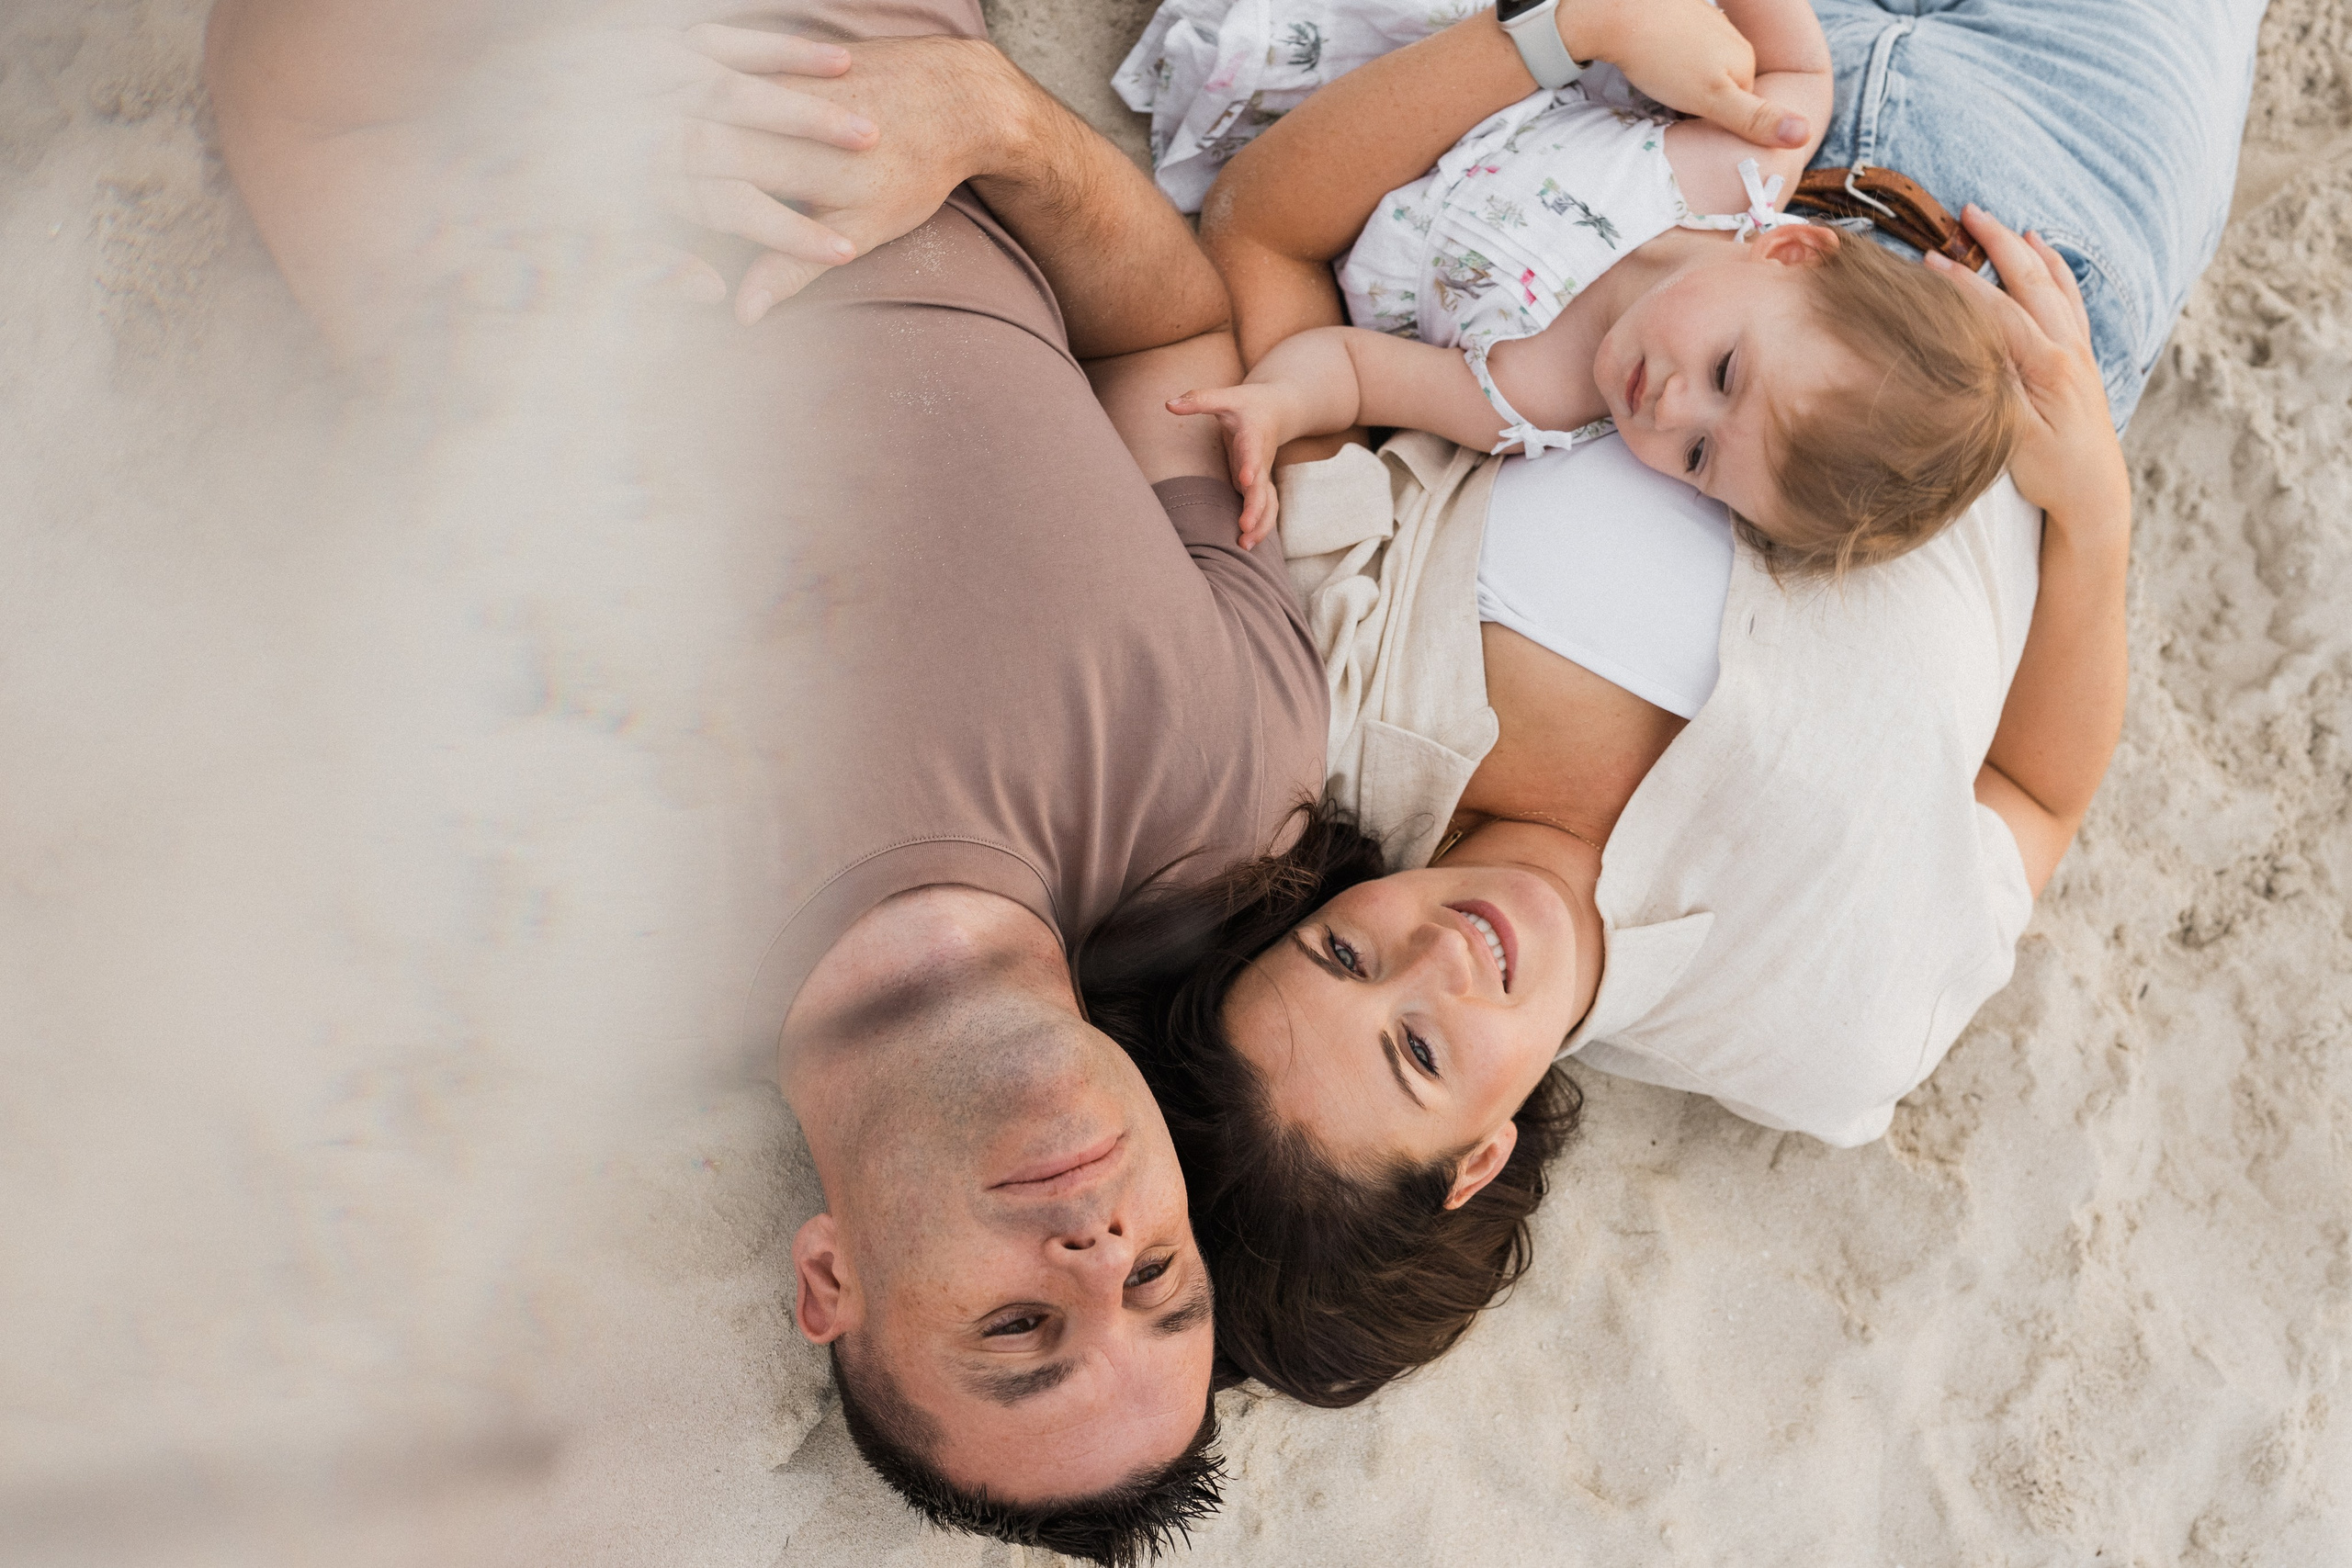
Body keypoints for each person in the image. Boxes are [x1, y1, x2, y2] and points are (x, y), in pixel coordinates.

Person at [207, 0, 1811, 1553]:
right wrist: (991, 125)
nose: (1097, 1246)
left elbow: (309, 117)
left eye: (1021, 1323)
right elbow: (1176, 330)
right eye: (1161, 1277)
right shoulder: (1224, 775)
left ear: (829, 1280)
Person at [1080, 0, 2269, 1407]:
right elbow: (2040, 794)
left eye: (1343, 953)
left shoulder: (1341, 685)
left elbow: (1268, 228)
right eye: (1416, 1049)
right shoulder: (1813, 1024)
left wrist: (1557, 31)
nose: (1435, 954)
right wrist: (2094, 510)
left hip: (1729, 76)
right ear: (1478, 1157)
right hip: (2058, 211)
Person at [1166, 0, 2018, 576]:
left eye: (1699, 460)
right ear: (1791, 252)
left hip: (1346, 142)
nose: (1671, 410)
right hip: (1476, 44)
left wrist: (1277, 403)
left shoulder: (1527, 397)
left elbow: (1352, 370)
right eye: (1726, 374)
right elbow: (1803, 68)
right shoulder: (1738, 168)